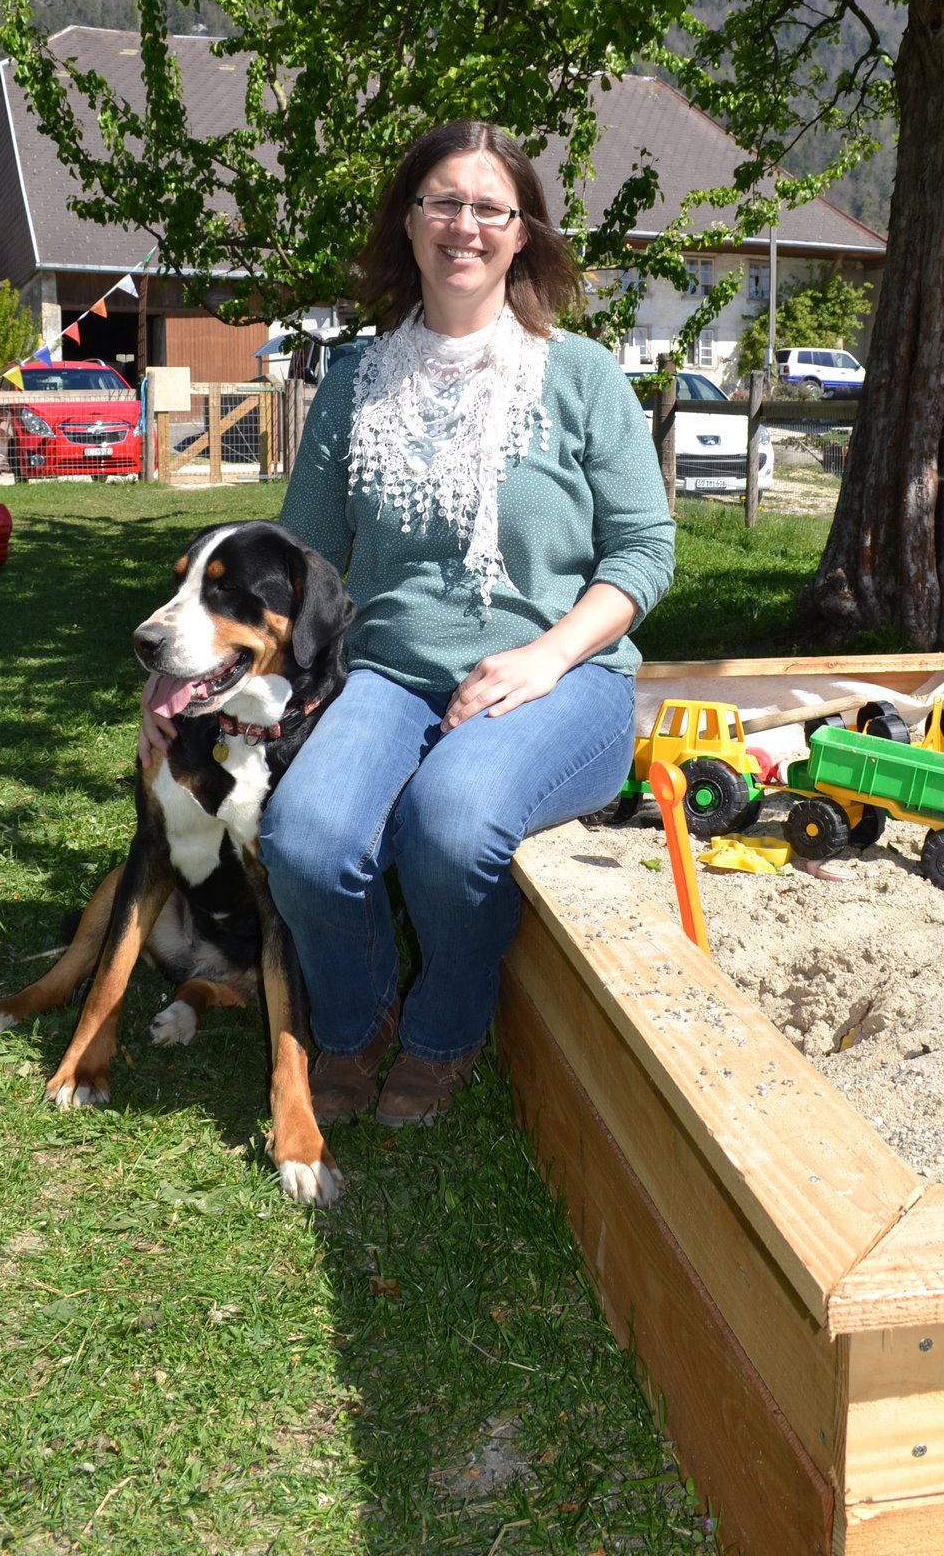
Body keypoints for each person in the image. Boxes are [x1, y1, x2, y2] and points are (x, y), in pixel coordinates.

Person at [159, 118, 675, 1128]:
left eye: (491, 207)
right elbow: (297, 557)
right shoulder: (356, 379)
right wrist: (185, 678)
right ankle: (353, 1028)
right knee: (305, 839)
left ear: (521, 232)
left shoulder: (579, 375)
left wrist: (544, 655)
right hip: (389, 676)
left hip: (563, 680)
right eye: (444, 200)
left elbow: (644, 551)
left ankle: (444, 1030)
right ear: (408, 220)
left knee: (451, 820)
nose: (464, 225)